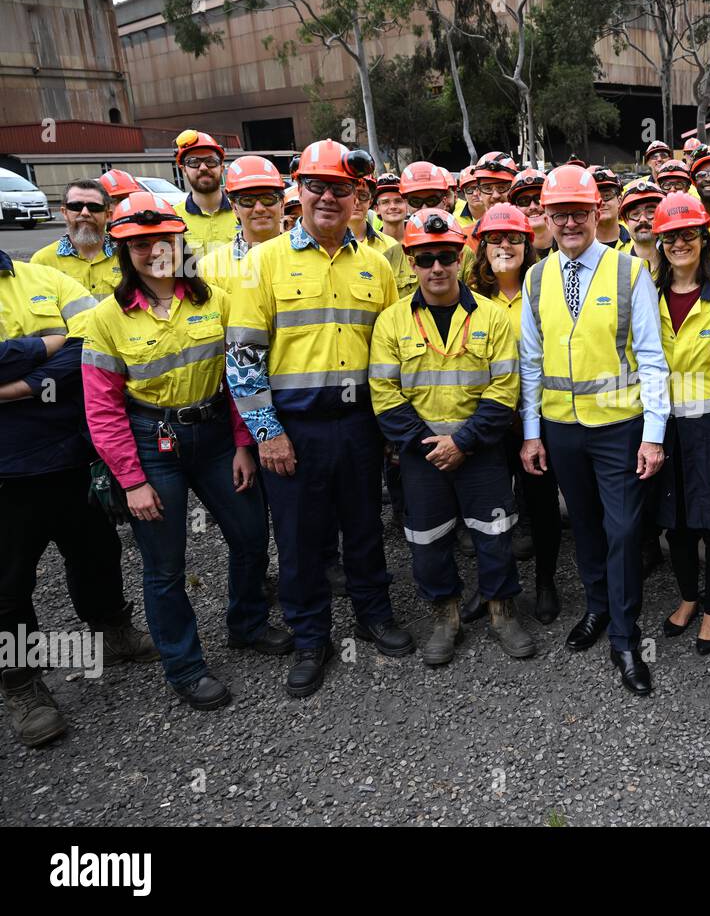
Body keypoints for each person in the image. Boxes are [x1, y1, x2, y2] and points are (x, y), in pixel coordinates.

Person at [80, 191, 286, 710]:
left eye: (164, 240)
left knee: (250, 538)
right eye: (140, 243)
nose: (155, 251)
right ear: (123, 250)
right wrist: (132, 480)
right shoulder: (107, 318)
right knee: (166, 566)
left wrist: (244, 444)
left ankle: (247, 623)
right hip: (152, 446)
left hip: (217, 436)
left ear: (180, 241)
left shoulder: (213, 298)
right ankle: (185, 665)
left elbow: (236, 377)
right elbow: (102, 410)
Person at [226, 139, 412, 699]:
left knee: (363, 528)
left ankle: (373, 614)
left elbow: (390, 351)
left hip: (359, 426)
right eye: (317, 187)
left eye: (341, 189)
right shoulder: (263, 262)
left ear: (358, 197)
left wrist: (387, 429)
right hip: (294, 430)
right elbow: (242, 359)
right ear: (298, 192)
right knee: (301, 541)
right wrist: (267, 433)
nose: (329, 197)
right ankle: (311, 637)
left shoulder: (376, 265)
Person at [518, 164, 670, 696]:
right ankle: (598, 608)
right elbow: (531, 362)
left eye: (578, 212)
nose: (569, 223)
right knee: (583, 526)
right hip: (561, 428)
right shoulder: (536, 278)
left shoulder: (630, 273)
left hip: (619, 428)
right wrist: (532, 432)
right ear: (547, 218)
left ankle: (626, 639)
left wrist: (654, 434)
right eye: (558, 214)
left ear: (597, 211)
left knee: (624, 529)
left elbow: (652, 360)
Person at [0, 249, 157, 747]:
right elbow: (67, 345)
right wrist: (45, 345)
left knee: (96, 553)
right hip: (5, 473)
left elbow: (89, 341)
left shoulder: (44, 278)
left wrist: (19, 383)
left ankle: (112, 630)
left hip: (69, 456)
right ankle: (22, 685)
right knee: (7, 589)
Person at [369, 209, 536, 664]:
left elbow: (505, 388)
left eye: (445, 256)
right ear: (410, 261)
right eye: (425, 259)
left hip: (479, 451)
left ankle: (503, 612)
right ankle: (446, 617)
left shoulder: (492, 317)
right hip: (422, 457)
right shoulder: (391, 323)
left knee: (495, 532)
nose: (437, 267)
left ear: (461, 257)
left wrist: (462, 442)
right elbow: (384, 394)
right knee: (426, 540)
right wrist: (431, 446)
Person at [649, 193, 710, 655]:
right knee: (677, 521)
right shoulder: (647, 295)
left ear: (704, 239)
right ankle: (688, 597)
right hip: (664, 426)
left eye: (688, 234)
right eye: (670, 237)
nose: (679, 244)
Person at [464, 202, 561, 625]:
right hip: (485, 417)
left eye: (514, 239)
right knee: (488, 507)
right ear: (482, 247)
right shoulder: (467, 295)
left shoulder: (545, 288)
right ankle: (491, 586)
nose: (505, 245)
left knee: (540, 504)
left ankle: (545, 582)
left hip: (535, 414)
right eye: (496, 240)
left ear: (527, 244)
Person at [196, 155, 284, 294]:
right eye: (247, 201)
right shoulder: (210, 268)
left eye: (268, 199)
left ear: (282, 205)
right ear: (235, 208)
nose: (259, 208)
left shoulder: (307, 258)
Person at [31, 179, 121, 300]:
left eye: (94, 207)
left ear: (108, 215)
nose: (85, 213)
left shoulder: (126, 256)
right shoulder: (43, 261)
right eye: (76, 206)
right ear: (64, 212)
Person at [172, 129, 238, 257]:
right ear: (184, 170)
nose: (203, 168)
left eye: (210, 161)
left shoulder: (243, 211)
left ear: (222, 168)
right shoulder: (174, 218)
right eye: (193, 162)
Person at [373, 173, 419, 295]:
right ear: (376, 209)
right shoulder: (367, 247)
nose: (392, 206)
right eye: (385, 202)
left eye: (398, 201)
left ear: (407, 206)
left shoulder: (418, 244)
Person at [509, 168, 554, 258]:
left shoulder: (569, 244)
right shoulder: (510, 253)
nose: (533, 207)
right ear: (515, 208)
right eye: (524, 201)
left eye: (538, 199)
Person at [620, 180, 665, 270]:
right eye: (635, 214)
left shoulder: (676, 267)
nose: (643, 220)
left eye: (651, 212)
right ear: (626, 220)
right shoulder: (615, 268)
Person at [592, 166, 633, 251]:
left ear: (619, 201)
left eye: (607, 196)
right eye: (595, 198)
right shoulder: (579, 246)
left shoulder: (637, 243)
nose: (602, 203)